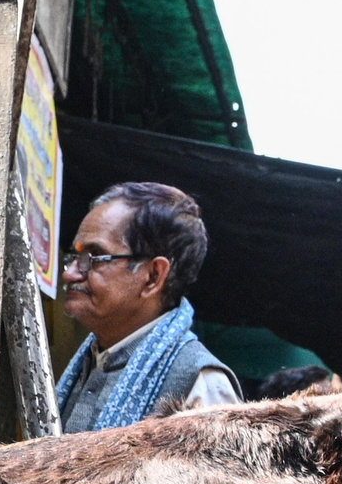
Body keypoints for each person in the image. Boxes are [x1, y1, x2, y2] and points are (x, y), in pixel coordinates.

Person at [55, 182, 240, 433]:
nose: (71, 274)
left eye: (94, 258)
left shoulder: (202, 386)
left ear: (153, 276)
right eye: (75, 258)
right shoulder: (89, 360)